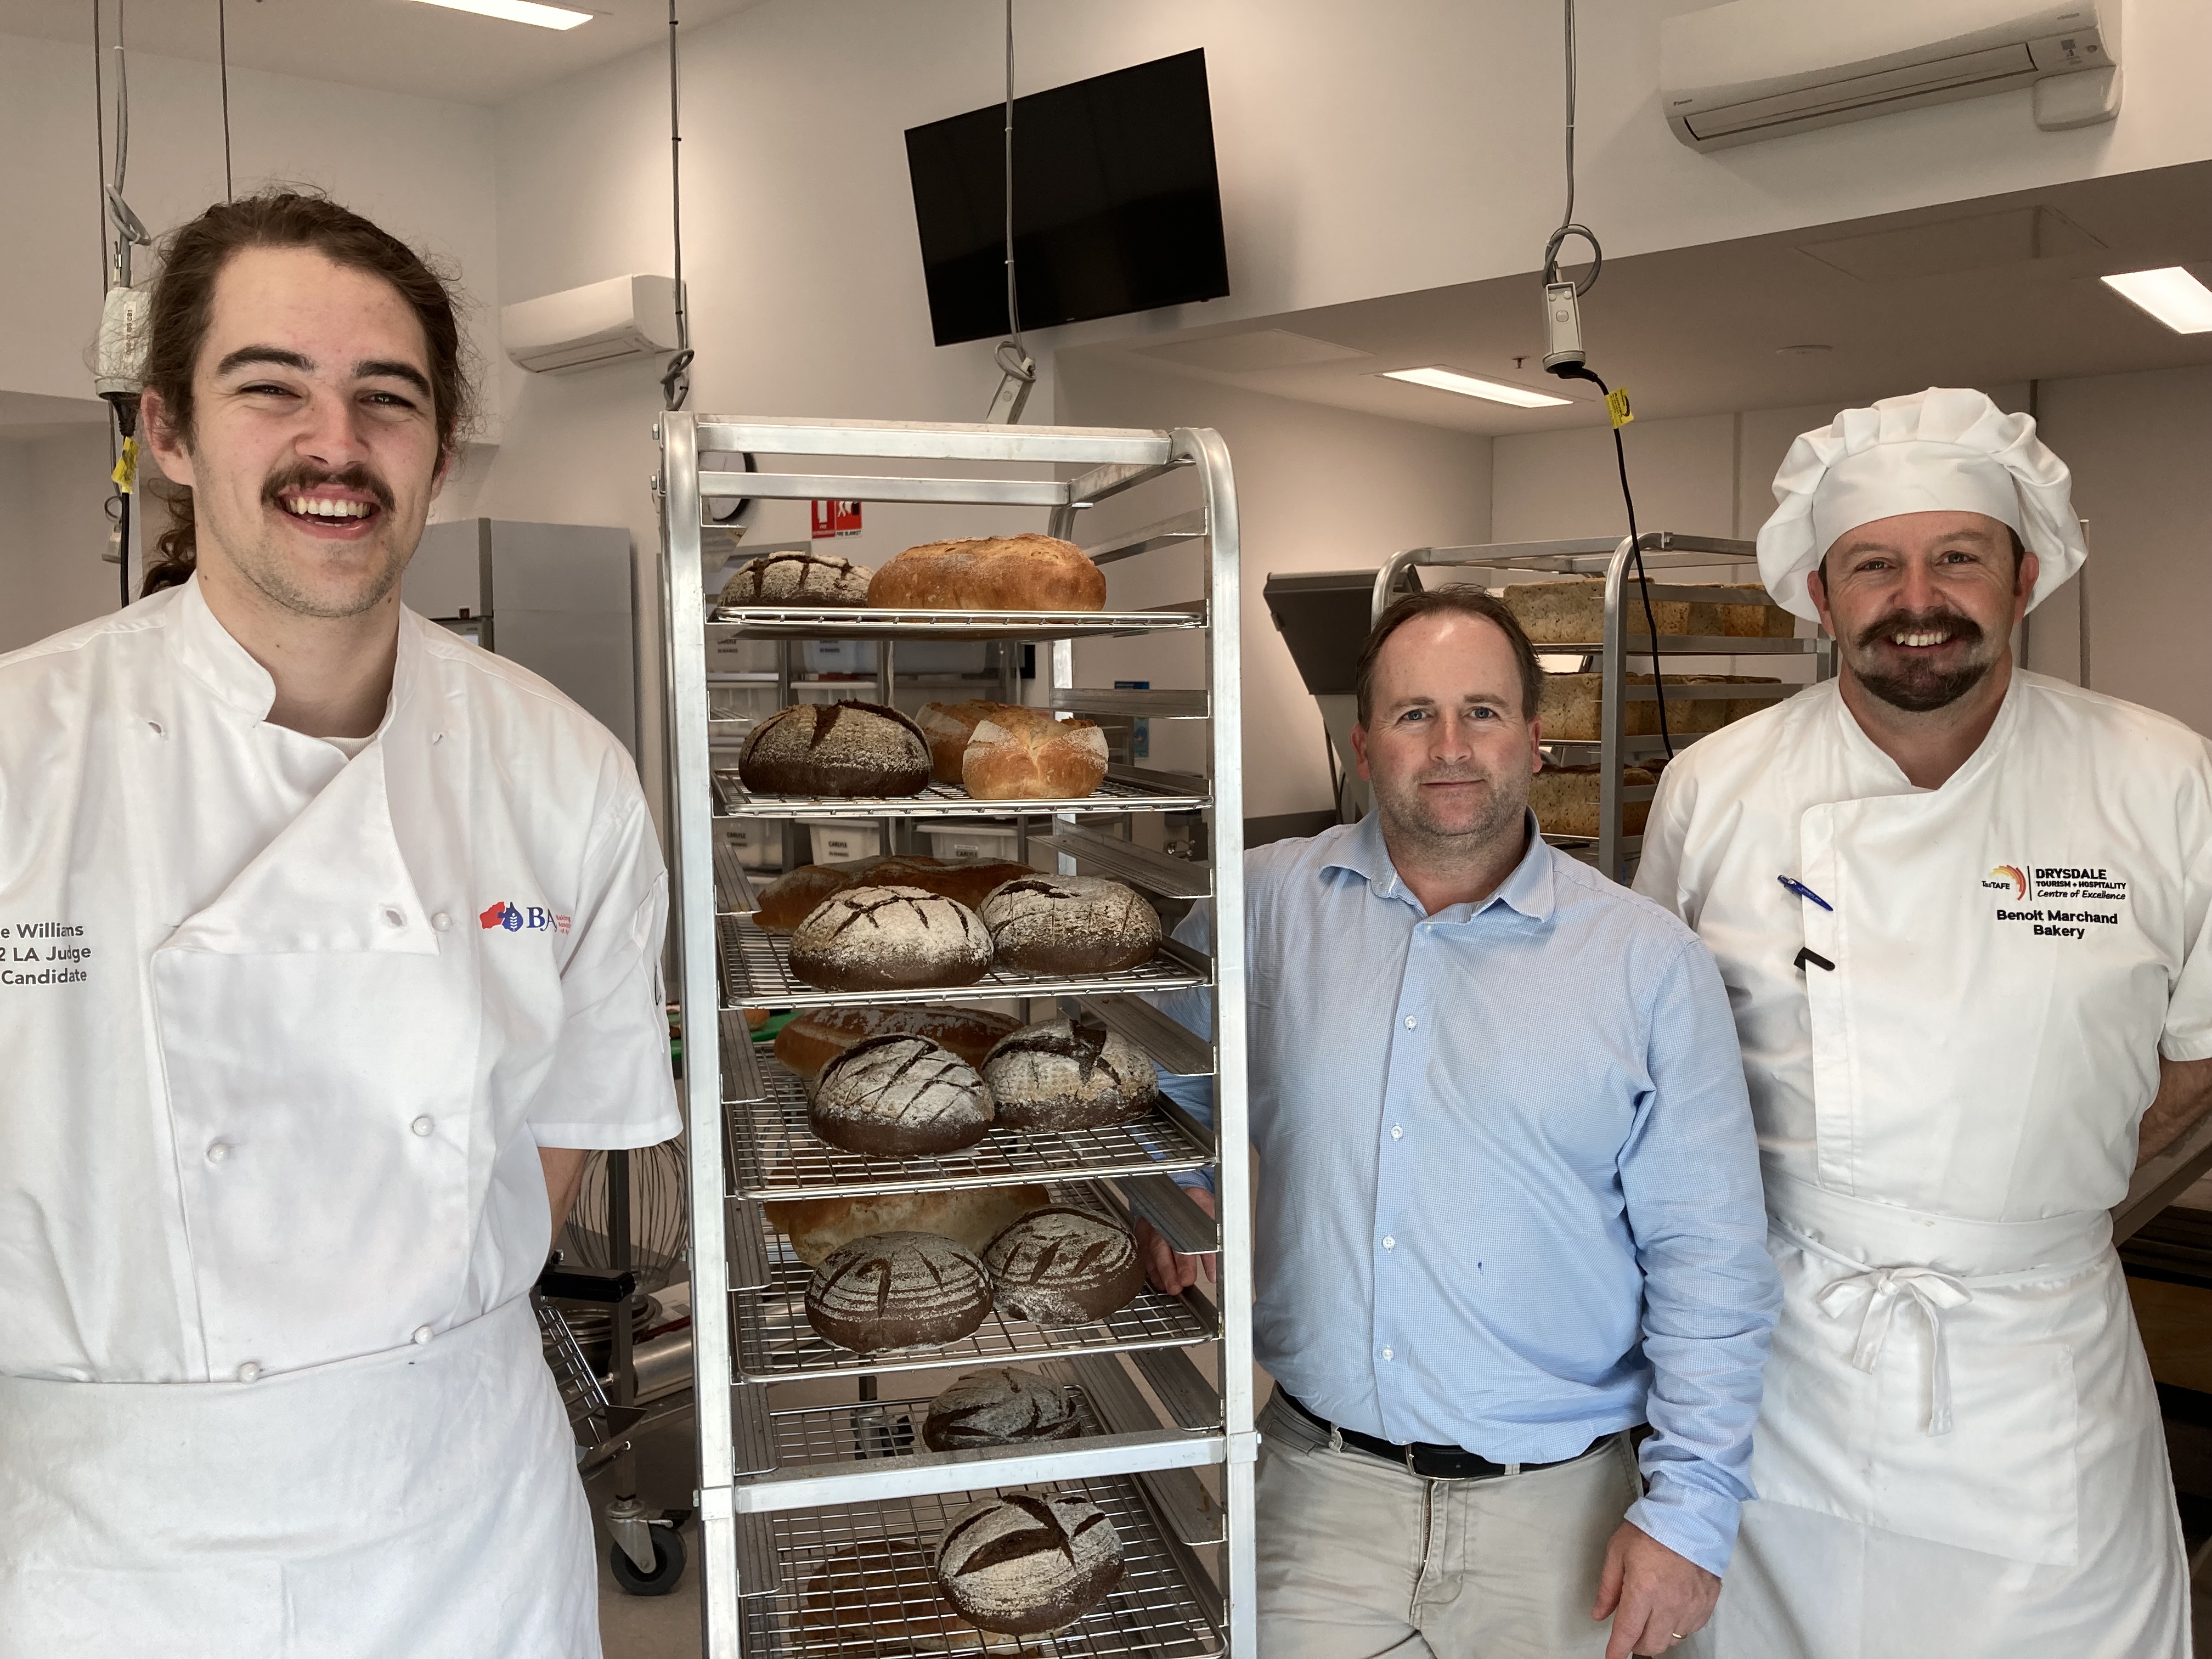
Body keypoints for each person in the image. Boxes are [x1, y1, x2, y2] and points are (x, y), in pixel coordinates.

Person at [0, 191, 679, 1656]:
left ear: (441, 449)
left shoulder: (563, 774)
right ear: (168, 432)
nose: (337, 445)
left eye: (390, 401)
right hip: (106, 1549)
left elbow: (545, 1144)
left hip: (464, 1532)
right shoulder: (19, 751)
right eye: (273, 391)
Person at [1633, 386, 2212, 1659]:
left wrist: (2020, 1191)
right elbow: (1647, 1078)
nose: (1919, 598)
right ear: (1821, 593)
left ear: (2024, 575)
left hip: (2039, 1364)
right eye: (1875, 565)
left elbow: (2196, 1062)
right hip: (1787, 1364)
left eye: (1958, 557)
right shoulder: (1715, 790)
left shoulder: (2163, 777)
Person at [1141, 586, 1781, 1658]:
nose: (1449, 745)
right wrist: (1166, 1177)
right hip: (1319, 1499)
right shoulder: (1259, 908)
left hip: (1563, 1518)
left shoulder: (1645, 963)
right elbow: (1155, 1073)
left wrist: (1691, 1513)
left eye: (1482, 712)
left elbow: (1710, 1260)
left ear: (1537, 741)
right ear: (1361, 747)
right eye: (1412, 715)